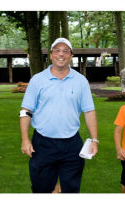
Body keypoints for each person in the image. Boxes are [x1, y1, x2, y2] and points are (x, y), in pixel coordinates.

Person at [20, 37, 99, 193]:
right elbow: (25, 111)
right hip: (42, 144)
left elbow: (89, 111)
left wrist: (94, 139)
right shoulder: (37, 80)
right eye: (57, 51)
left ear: (71, 56)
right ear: (51, 55)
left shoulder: (81, 81)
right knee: (41, 190)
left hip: (72, 144)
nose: (61, 54)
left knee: (71, 190)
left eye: (65, 51)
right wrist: (25, 140)